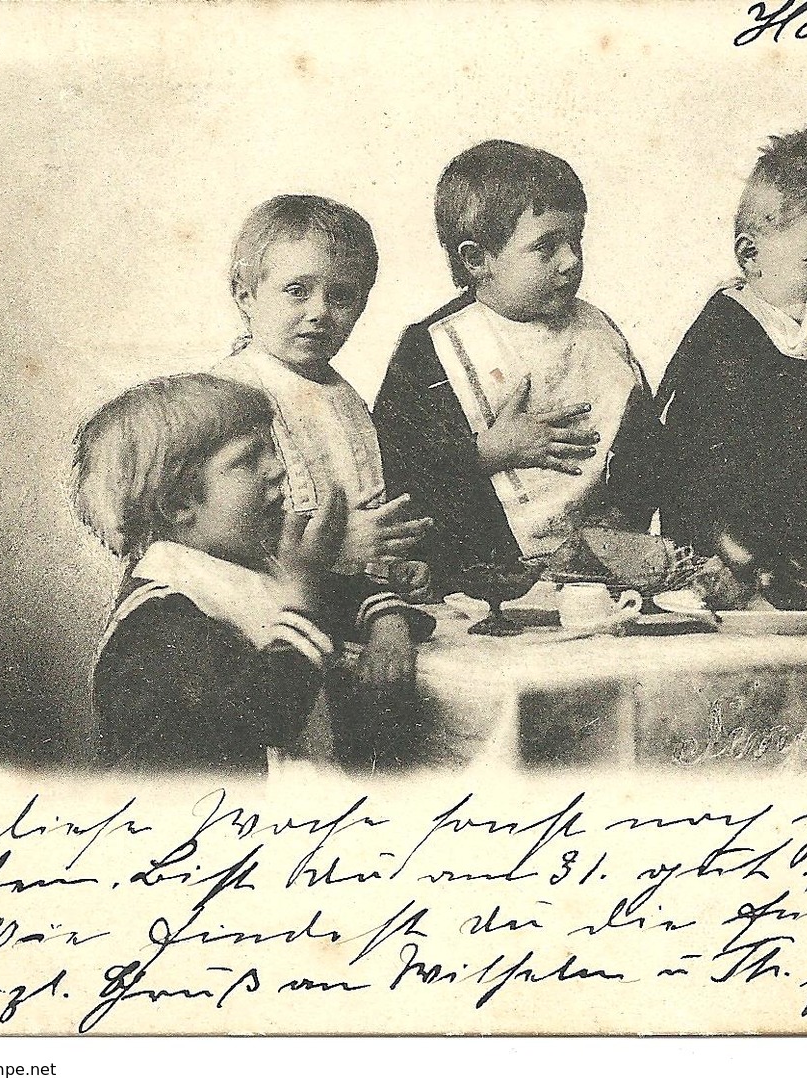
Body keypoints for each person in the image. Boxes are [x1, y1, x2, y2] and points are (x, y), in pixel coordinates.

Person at [72, 374, 431, 772]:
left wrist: (387, 622)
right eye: (247, 459)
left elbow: (341, 593)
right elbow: (267, 716)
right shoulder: (156, 619)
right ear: (178, 505)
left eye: (273, 451)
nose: (278, 469)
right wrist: (303, 599)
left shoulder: (244, 566)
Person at [374, 141, 654, 594]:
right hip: (471, 577)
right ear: (477, 259)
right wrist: (486, 452)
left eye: (575, 241)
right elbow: (396, 468)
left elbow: (644, 446)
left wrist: (617, 521)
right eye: (546, 247)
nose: (570, 262)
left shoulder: (600, 333)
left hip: (595, 574)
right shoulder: (430, 348)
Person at [641, 123, 807, 564]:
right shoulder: (727, 338)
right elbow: (768, 460)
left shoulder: (802, 331)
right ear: (750, 256)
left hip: (802, 553)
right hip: (730, 556)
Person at [216, 194, 431, 588]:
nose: (320, 311)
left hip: (352, 599)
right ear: (245, 294)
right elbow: (222, 539)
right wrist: (335, 550)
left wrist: (390, 565)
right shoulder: (232, 397)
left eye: (341, 296)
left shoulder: (345, 396)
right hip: (278, 604)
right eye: (297, 290)